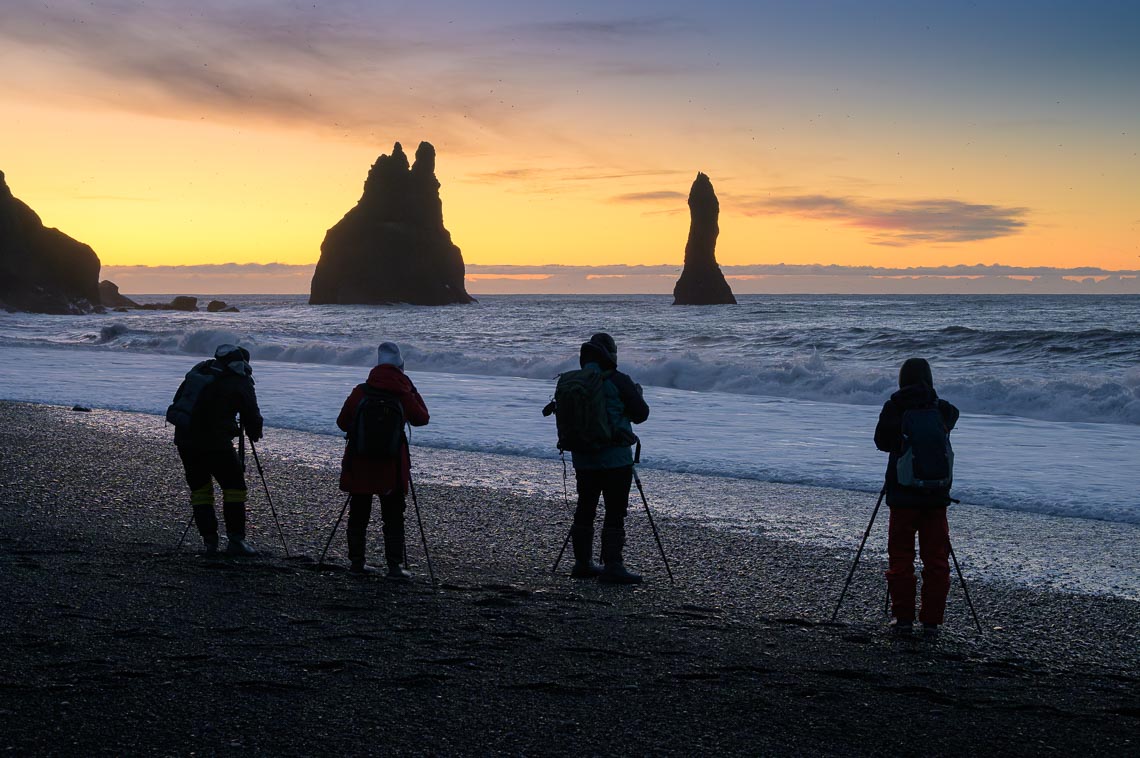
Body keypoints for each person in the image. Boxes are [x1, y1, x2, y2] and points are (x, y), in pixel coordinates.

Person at [874, 357, 960, 640]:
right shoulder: (942, 408)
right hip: (936, 496)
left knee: (901, 557)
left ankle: (903, 619)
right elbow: (954, 418)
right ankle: (932, 622)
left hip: (902, 494)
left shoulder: (895, 406)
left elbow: (881, 442)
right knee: (936, 559)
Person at [336, 342, 429, 577]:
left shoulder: (362, 391)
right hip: (392, 465)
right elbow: (422, 418)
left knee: (358, 514)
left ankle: (357, 563)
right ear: (400, 366)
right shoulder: (403, 392)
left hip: (360, 461)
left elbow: (342, 422)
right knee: (394, 516)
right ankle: (395, 566)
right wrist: (412, 390)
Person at [567, 333, 650, 584]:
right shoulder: (618, 380)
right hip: (615, 459)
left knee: (585, 507)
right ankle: (613, 565)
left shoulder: (574, 381)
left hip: (582, 458)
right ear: (610, 354)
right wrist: (637, 394)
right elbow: (641, 414)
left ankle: (582, 563)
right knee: (615, 510)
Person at [172, 344, 264, 556]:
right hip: (214, 443)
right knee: (234, 488)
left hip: (185, 439)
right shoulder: (240, 380)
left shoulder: (200, 372)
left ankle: (210, 542)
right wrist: (253, 433)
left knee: (201, 491)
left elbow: (180, 400)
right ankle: (236, 541)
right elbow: (252, 416)